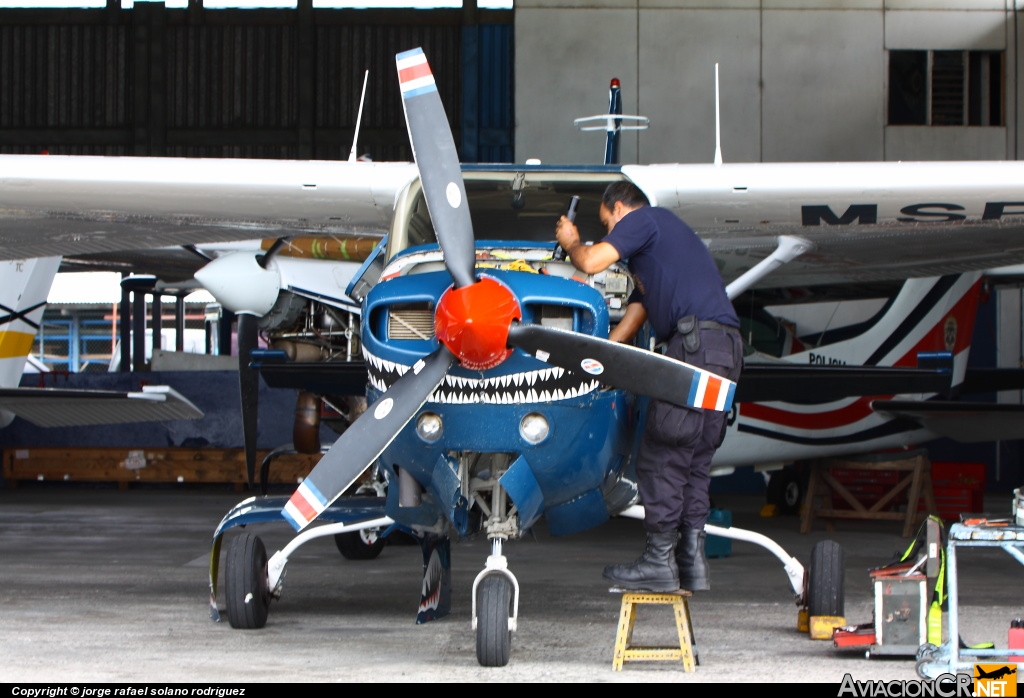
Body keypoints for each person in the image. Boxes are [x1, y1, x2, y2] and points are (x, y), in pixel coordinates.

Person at [554, 181, 743, 592]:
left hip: (693, 346)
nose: (609, 233)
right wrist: (601, 352)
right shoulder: (664, 243)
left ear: (620, 210)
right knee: (693, 458)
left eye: (608, 224)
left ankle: (659, 562)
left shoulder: (643, 220)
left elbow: (589, 262)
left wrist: (572, 242)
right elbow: (639, 311)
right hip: (722, 348)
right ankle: (690, 563)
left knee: (662, 449)